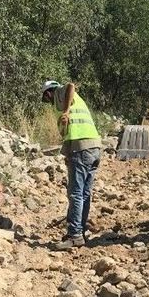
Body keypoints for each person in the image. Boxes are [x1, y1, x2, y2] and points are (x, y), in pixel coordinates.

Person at [41, 81, 102, 250]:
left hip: (81, 148)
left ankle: (74, 235)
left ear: (48, 93)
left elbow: (70, 86)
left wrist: (66, 111)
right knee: (84, 193)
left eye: (46, 99)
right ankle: (80, 232)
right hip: (93, 147)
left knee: (75, 193)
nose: (49, 103)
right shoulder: (76, 102)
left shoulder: (60, 94)